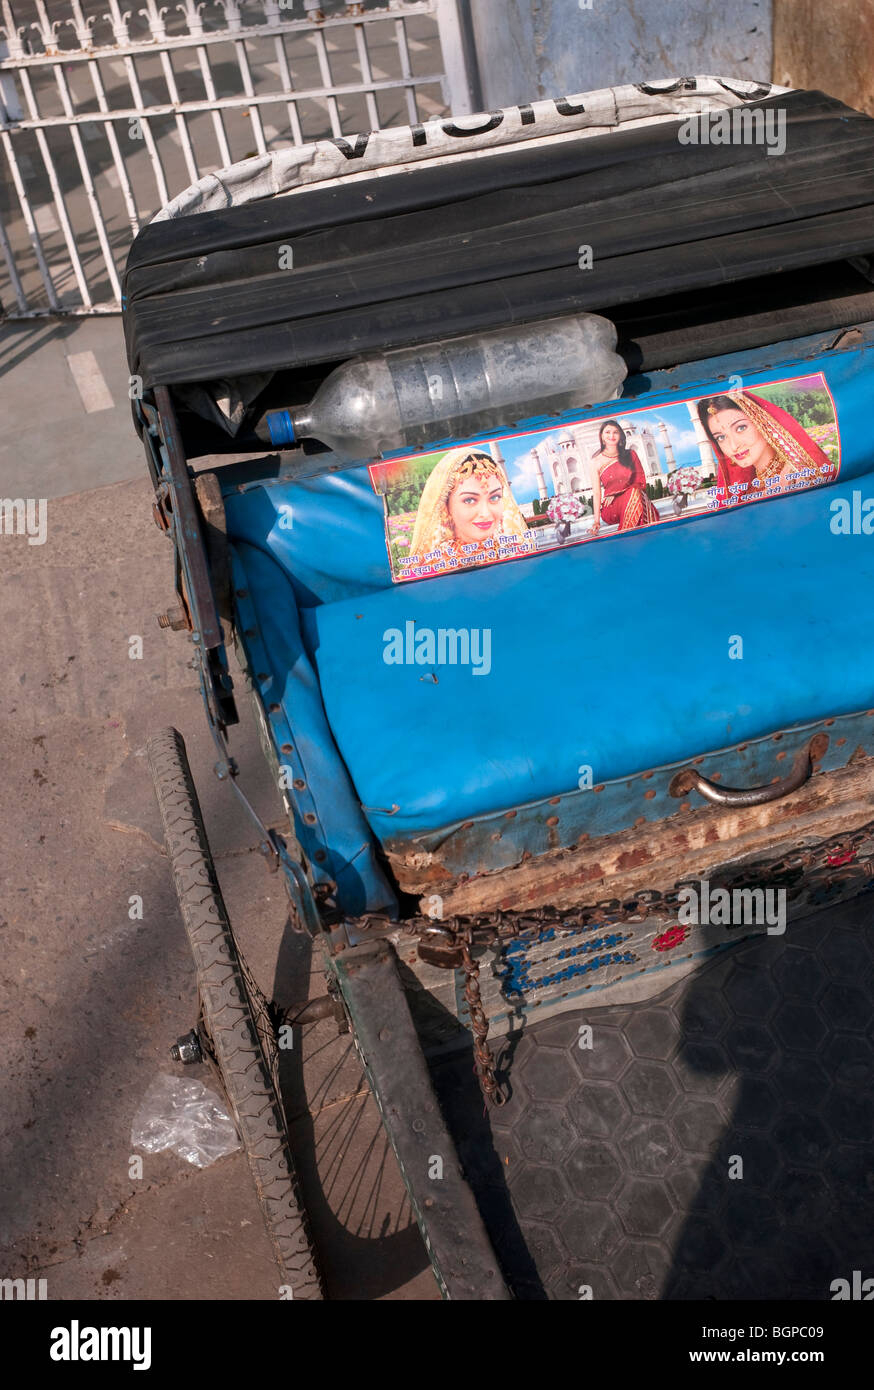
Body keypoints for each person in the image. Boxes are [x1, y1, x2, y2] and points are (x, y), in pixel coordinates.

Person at [697, 391, 835, 502]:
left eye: (741, 428)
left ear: (762, 423)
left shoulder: (800, 475)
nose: (733, 446)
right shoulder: (748, 491)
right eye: (721, 438)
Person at [407, 446, 528, 568]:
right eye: (470, 500)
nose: (485, 513)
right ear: (445, 507)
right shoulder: (434, 566)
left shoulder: (517, 552)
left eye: (494, 498)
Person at [589, 420, 658, 534]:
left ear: (620, 435)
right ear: (601, 436)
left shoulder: (630, 454)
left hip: (634, 497)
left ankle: (627, 537)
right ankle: (628, 538)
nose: (611, 435)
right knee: (634, 494)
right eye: (607, 432)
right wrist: (596, 521)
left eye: (615, 432)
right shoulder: (595, 462)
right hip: (612, 507)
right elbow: (596, 493)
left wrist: (618, 492)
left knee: (635, 492)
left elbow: (640, 482)